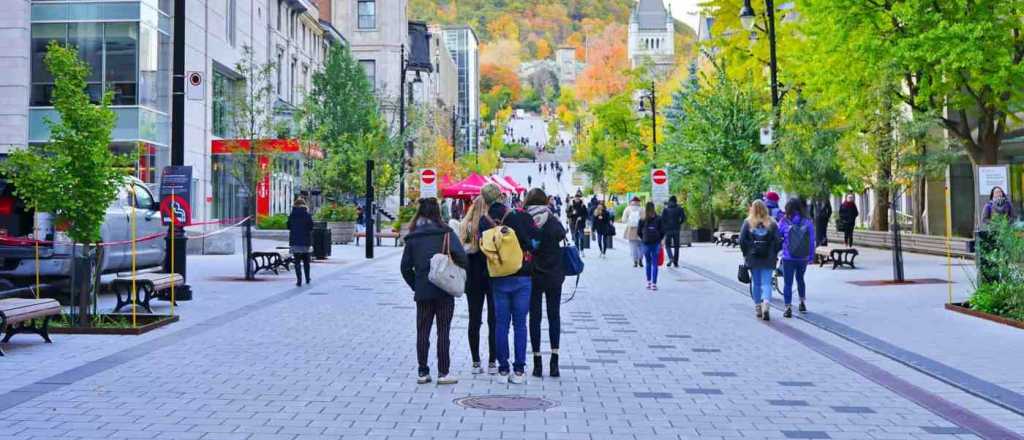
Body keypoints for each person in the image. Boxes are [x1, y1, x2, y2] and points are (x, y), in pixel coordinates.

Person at [401, 198, 469, 385]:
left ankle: (422, 372)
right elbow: (463, 258)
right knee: (443, 331)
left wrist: (416, 285)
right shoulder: (446, 233)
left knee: (422, 331)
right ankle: (443, 373)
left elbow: (404, 267)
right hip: (444, 289)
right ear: (437, 212)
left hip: (423, 291)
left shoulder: (413, 236)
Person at [478, 183, 539, 384]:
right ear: (502, 196)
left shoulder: (484, 221)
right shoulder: (518, 215)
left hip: (498, 277)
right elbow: (532, 243)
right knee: (520, 324)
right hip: (522, 276)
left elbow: (483, 249)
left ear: (485, 200)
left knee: (501, 324)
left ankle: (503, 369)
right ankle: (519, 370)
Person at [524, 189, 567, 378]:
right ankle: (554, 362)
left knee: (535, 317)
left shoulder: (526, 219)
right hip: (554, 273)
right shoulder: (551, 218)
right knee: (554, 315)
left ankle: (537, 363)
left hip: (533, 274)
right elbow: (562, 234)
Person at [459, 196, 497, 375]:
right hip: (492, 275)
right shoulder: (492, 225)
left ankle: (475, 362)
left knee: (474, 320)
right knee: (493, 320)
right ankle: (492, 362)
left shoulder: (466, 226)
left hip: (472, 278)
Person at [739, 200, 781, 321]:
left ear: (752, 209)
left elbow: (742, 240)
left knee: (756, 283)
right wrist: (774, 253)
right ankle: (766, 304)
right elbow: (778, 241)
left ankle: (758, 307)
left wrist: (746, 253)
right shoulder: (772, 222)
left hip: (753, 257)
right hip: (768, 257)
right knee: (767, 283)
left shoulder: (748, 222)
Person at [779, 198, 815, 318]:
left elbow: (778, 235)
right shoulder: (807, 222)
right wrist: (811, 256)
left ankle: (787, 307)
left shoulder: (784, 221)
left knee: (788, 283)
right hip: (803, 257)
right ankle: (802, 303)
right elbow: (812, 241)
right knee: (800, 279)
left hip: (788, 257)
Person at [287, 198, 314, 287]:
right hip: (305, 241)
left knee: (297, 261)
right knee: (306, 261)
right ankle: (307, 278)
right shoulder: (307, 215)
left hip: (295, 241)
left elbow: (288, 226)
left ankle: (299, 280)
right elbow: (311, 227)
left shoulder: (292, 215)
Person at [637, 202, 664, 290]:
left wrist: (643, 238)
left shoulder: (642, 219)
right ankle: (654, 284)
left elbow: (638, 232)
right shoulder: (659, 218)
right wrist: (659, 239)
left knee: (648, 262)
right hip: (656, 243)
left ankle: (648, 282)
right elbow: (663, 231)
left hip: (646, 243)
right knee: (655, 263)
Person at [660, 196, 686, 267]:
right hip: (676, 229)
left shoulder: (665, 210)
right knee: (676, 246)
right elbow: (683, 218)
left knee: (667, 245)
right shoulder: (680, 209)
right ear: (676, 201)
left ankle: (671, 257)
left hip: (668, 230)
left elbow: (662, 220)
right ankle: (676, 262)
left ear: (669, 201)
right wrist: (679, 223)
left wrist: (664, 227)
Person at [622, 196, 644, 268]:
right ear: (639, 202)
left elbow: (623, 220)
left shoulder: (628, 209)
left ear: (631, 202)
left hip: (631, 229)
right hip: (641, 230)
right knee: (641, 245)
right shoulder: (642, 209)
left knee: (632, 246)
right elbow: (645, 219)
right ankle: (640, 259)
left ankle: (635, 261)